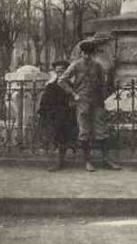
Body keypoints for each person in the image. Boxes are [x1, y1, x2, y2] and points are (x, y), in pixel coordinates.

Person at [58, 39, 121, 172]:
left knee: (101, 131)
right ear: (81, 53)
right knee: (84, 131)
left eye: (89, 54)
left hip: (97, 101)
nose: (87, 56)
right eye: (85, 53)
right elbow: (62, 80)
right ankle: (87, 162)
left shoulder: (97, 65)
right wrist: (74, 94)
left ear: (92, 54)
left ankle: (106, 160)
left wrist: (103, 98)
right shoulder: (76, 65)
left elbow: (102, 83)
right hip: (82, 100)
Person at [37, 60, 78, 172]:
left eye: (62, 71)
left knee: (64, 131)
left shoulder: (71, 85)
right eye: (57, 71)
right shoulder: (51, 85)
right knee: (54, 131)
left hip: (69, 115)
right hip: (54, 114)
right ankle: (58, 160)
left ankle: (61, 159)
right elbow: (44, 103)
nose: (60, 73)